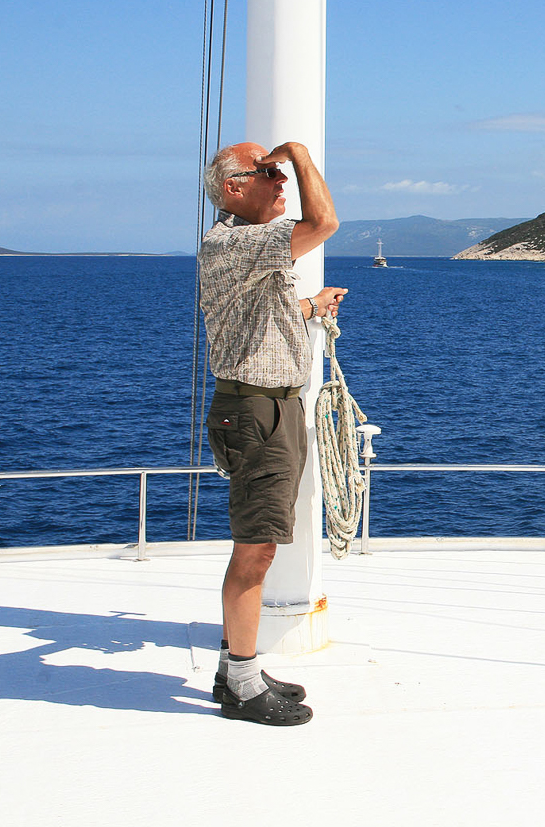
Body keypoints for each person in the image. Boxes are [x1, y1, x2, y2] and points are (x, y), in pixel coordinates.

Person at [197, 140, 345, 726]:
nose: (281, 182)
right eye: (269, 174)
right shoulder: (233, 242)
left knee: (259, 544)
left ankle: (239, 667)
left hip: (276, 407)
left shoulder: (253, 251)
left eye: (283, 173)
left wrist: (309, 308)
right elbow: (325, 222)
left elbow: (258, 313)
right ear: (235, 187)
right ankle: (239, 680)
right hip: (256, 411)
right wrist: (302, 154)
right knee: (255, 550)